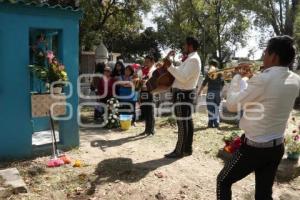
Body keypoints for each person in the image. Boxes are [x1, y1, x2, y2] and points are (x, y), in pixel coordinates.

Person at [217, 36, 300, 200]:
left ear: (274, 56)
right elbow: (264, 96)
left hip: (254, 149)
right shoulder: (296, 80)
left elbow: (232, 105)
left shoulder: (263, 79)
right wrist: (249, 78)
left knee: (223, 181)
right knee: (263, 194)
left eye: (265, 52)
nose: (263, 56)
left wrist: (237, 77)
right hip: (277, 147)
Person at [164, 36, 201, 158]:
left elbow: (183, 78)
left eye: (185, 45)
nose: (183, 47)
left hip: (182, 94)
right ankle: (187, 149)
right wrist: (169, 61)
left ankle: (179, 150)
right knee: (187, 122)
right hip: (184, 94)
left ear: (190, 46)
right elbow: (180, 73)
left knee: (182, 123)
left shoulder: (193, 60)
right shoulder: (190, 59)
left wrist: (170, 66)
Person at [198, 64, 225, 128]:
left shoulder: (209, 73)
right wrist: (220, 92)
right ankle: (216, 122)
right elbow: (223, 84)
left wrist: (200, 91)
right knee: (216, 107)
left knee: (210, 108)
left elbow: (204, 83)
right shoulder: (220, 74)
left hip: (210, 93)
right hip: (218, 92)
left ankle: (210, 123)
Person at [139, 55, 156, 136]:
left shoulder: (154, 70)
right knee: (145, 110)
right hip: (143, 92)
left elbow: (154, 82)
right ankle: (146, 129)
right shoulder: (144, 70)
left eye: (147, 61)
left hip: (150, 92)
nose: (145, 63)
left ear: (152, 62)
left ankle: (151, 130)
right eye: (145, 61)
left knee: (150, 111)